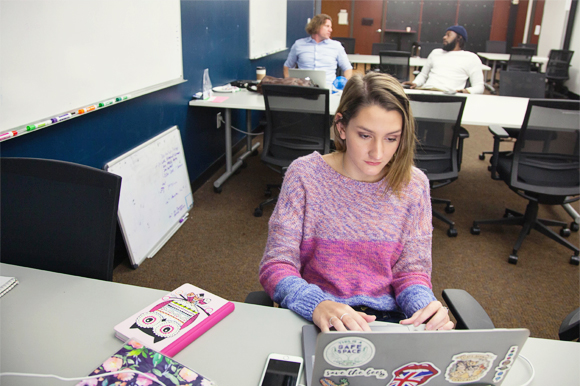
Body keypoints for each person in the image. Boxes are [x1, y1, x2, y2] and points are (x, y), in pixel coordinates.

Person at [259, 72, 453, 333]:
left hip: (384, 322)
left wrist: (424, 310)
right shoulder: (304, 175)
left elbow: (411, 272)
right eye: (365, 135)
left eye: (391, 138)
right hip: (316, 315)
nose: (378, 152)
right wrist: (316, 303)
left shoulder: (413, 184)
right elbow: (276, 265)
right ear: (341, 127)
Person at [403, 25, 484, 94]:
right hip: (426, 91)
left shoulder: (471, 58)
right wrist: (415, 83)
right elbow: (423, 75)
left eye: (448, 35)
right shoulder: (435, 53)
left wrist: (466, 91)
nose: (444, 37)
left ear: (459, 38)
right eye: (445, 35)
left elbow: (479, 87)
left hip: (448, 95)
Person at [283, 14, 353, 86]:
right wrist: (290, 85)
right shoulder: (299, 45)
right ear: (317, 26)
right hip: (304, 88)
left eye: (331, 27)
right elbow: (287, 66)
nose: (331, 30)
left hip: (328, 89)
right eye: (327, 26)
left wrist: (344, 87)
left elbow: (347, 68)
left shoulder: (336, 46)